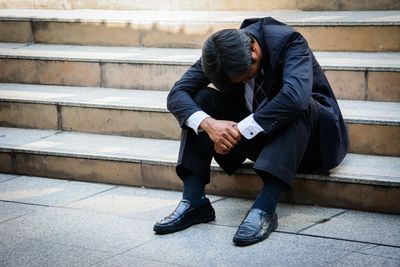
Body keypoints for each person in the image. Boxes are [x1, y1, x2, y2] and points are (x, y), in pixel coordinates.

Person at [153, 17, 349, 246]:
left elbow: (295, 99)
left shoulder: (289, 42)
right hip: (263, 136)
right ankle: (194, 200)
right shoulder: (222, 51)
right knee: (199, 100)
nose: (246, 81)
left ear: (254, 49)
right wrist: (209, 125)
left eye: (248, 75)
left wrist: (238, 130)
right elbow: (177, 94)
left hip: (312, 140)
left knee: (298, 100)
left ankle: (265, 207)